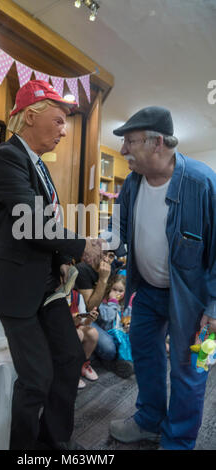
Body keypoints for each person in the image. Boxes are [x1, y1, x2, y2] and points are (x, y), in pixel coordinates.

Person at [0, 80, 102, 451]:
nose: (65, 131)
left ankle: (55, 442)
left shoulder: (41, 168)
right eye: (60, 120)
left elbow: (44, 227)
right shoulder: (6, 159)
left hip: (45, 285)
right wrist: (80, 246)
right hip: (14, 288)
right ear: (31, 114)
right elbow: (30, 220)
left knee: (69, 359)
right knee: (37, 378)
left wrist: (63, 260)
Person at [105, 106, 216, 450]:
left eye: (130, 142)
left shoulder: (203, 183)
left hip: (194, 300)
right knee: (146, 357)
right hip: (148, 292)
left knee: (190, 369)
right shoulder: (133, 184)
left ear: (157, 144)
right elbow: (118, 231)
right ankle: (149, 421)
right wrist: (98, 245)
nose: (123, 150)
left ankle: (177, 442)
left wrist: (214, 307)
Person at [75, 250, 133, 377]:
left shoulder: (112, 269)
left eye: (111, 256)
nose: (106, 259)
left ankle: (122, 361)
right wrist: (103, 279)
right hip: (87, 318)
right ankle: (108, 362)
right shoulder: (83, 269)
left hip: (110, 326)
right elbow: (92, 307)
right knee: (109, 348)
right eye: (104, 254)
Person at [95, 274, 134, 378]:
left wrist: (128, 326)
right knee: (119, 338)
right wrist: (113, 302)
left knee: (132, 337)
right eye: (114, 289)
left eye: (120, 291)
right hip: (110, 335)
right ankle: (121, 363)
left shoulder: (125, 305)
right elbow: (108, 317)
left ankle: (126, 364)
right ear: (109, 289)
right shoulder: (103, 304)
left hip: (122, 335)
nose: (117, 293)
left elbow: (128, 319)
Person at [67, 290, 99, 389]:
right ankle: (70, 371)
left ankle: (82, 364)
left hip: (76, 327)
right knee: (78, 334)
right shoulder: (56, 297)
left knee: (92, 333)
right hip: (61, 332)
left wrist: (90, 318)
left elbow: (84, 322)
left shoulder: (77, 296)